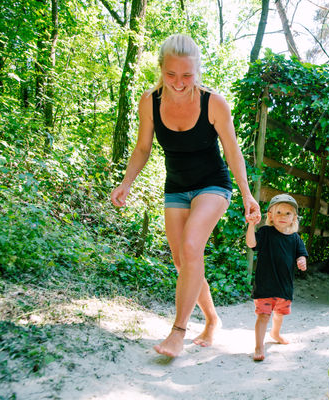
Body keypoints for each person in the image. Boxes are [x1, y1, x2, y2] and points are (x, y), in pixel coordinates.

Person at [110, 33, 261, 358]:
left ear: (198, 71)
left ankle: (178, 332)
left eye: (187, 75)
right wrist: (126, 183)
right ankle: (211, 320)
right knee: (183, 261)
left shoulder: (213, 103)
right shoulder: (149, 102)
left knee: (193, 246)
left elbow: (233, 152)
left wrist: (248, 195)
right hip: (176, 187)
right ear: (160, 69)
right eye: (171, 74)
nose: (179, 82)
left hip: (213, 185)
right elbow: (143, 147)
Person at [245, 194, 308, 361]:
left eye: (288, 213)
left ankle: (276, 333)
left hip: (284, 287)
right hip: (265, 285)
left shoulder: (295, 239)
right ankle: (259, 346)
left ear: (294, 218)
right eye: (278, 212)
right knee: (264, 315)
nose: (282, 216)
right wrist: (251, 226)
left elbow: (301, 255)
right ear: (270, 216)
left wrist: (302, 261)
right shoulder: (265, 232)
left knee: (280, 314)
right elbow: (251, 244)